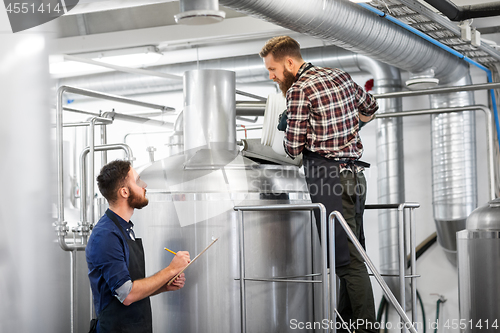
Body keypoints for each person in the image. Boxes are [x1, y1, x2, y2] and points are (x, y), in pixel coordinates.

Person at [260, 36, 378, 333]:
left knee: (348, 262)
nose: (271, 76)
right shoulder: (341, 76)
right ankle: (347, 326)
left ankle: (366, 329)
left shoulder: (298, 90)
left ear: (289, 61)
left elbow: (293, 150)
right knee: (351, 256)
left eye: (272, 69)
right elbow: (371, 108)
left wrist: (287, 125)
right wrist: (352, 128)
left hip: (329, 180)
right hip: (356, 178)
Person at [86, 160, 190, 333]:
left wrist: (164, 285)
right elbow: (127, 294)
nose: (144, 185)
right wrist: (171, 270)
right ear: (124, 192)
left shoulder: (125, 228)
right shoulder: (105, 235)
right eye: (138, 181)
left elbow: (132, 287)